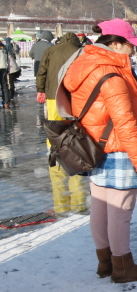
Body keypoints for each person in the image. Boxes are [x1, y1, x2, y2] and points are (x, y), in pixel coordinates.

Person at [63, 19, 137, 283]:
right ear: (115, 44)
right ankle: (123, 266)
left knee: (101, 206)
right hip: (121, 149)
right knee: (120, 211)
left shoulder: (85, 64)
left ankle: (105, 263)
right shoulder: (113, 75)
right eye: (130, 45)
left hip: (96, 147)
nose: (133, 50)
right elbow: (126, 124)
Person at [35, 32, 88, 215]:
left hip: (52, 96)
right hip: (73, 97)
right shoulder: (80, 51)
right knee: (72, 127)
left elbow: (42, 70)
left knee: (53, 127)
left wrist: (40, 89)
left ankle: (54, 150)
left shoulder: (51, 50)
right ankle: (73, 150)